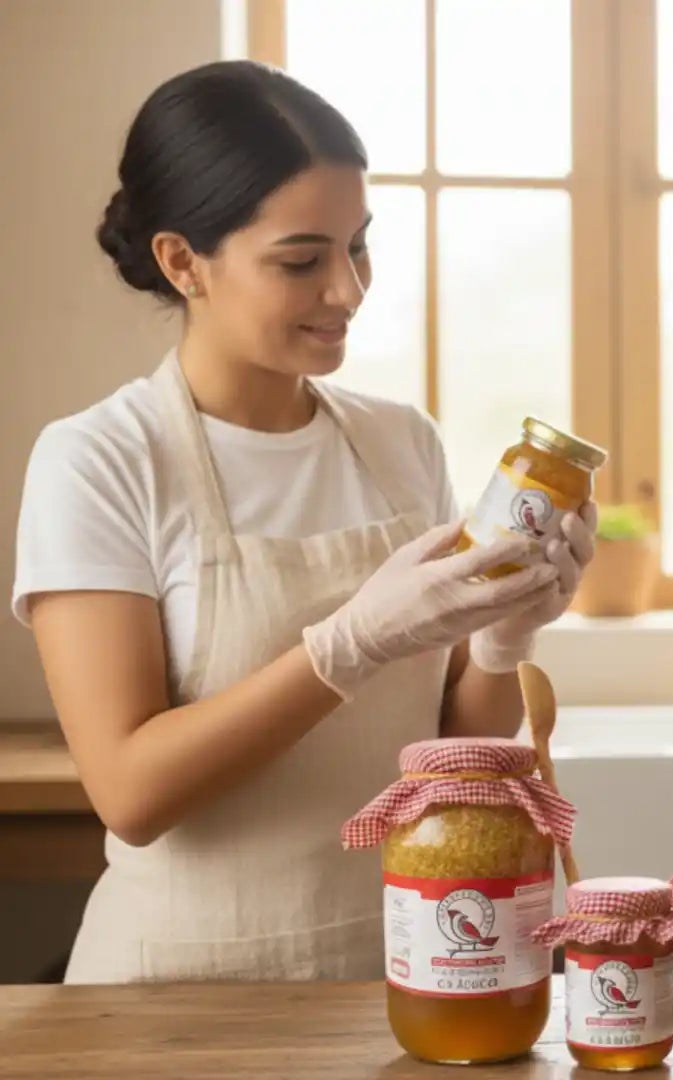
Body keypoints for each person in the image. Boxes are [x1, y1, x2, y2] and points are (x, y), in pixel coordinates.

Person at [12, 61, 593, 983]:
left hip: (398, 978)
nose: (349, 290)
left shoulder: (400, 442)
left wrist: (502, 643)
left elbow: (449, 756)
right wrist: (350, 643)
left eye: (359, 247)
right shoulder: (101, 460)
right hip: (177, 1004)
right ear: (180, 261)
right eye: (302, 260)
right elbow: (131, 791)